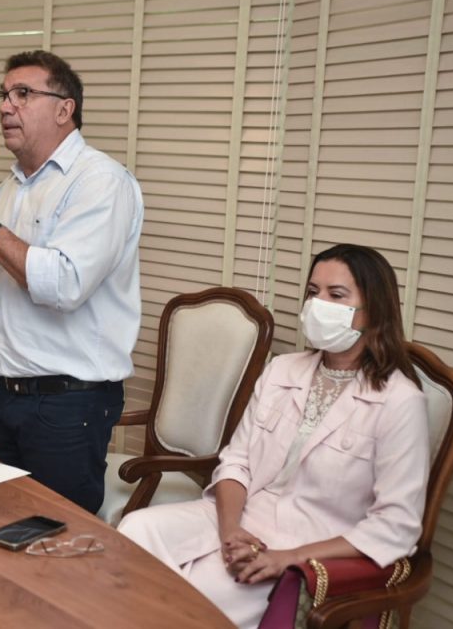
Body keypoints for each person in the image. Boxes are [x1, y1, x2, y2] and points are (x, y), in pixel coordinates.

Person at [117, 244, 430, 628]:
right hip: (239, 517)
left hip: (304, 541)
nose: (319, 304)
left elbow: (396, 525)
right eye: (313, 292)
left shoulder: (400, 401)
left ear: (375, 310)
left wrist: (289, 558)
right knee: (135, 530)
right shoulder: (283, 370)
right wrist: (231, 530)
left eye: (336, 295)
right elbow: (236, 461)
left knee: (200, 593)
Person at [0, 49, 144, 514]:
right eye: (3, 95)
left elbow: (64, 285)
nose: (6, 107)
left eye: (23, 94)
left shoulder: (100, 181)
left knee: (57, 539)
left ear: (65, 109)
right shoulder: (7, 191)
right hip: (7, 394)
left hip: (68, 403)